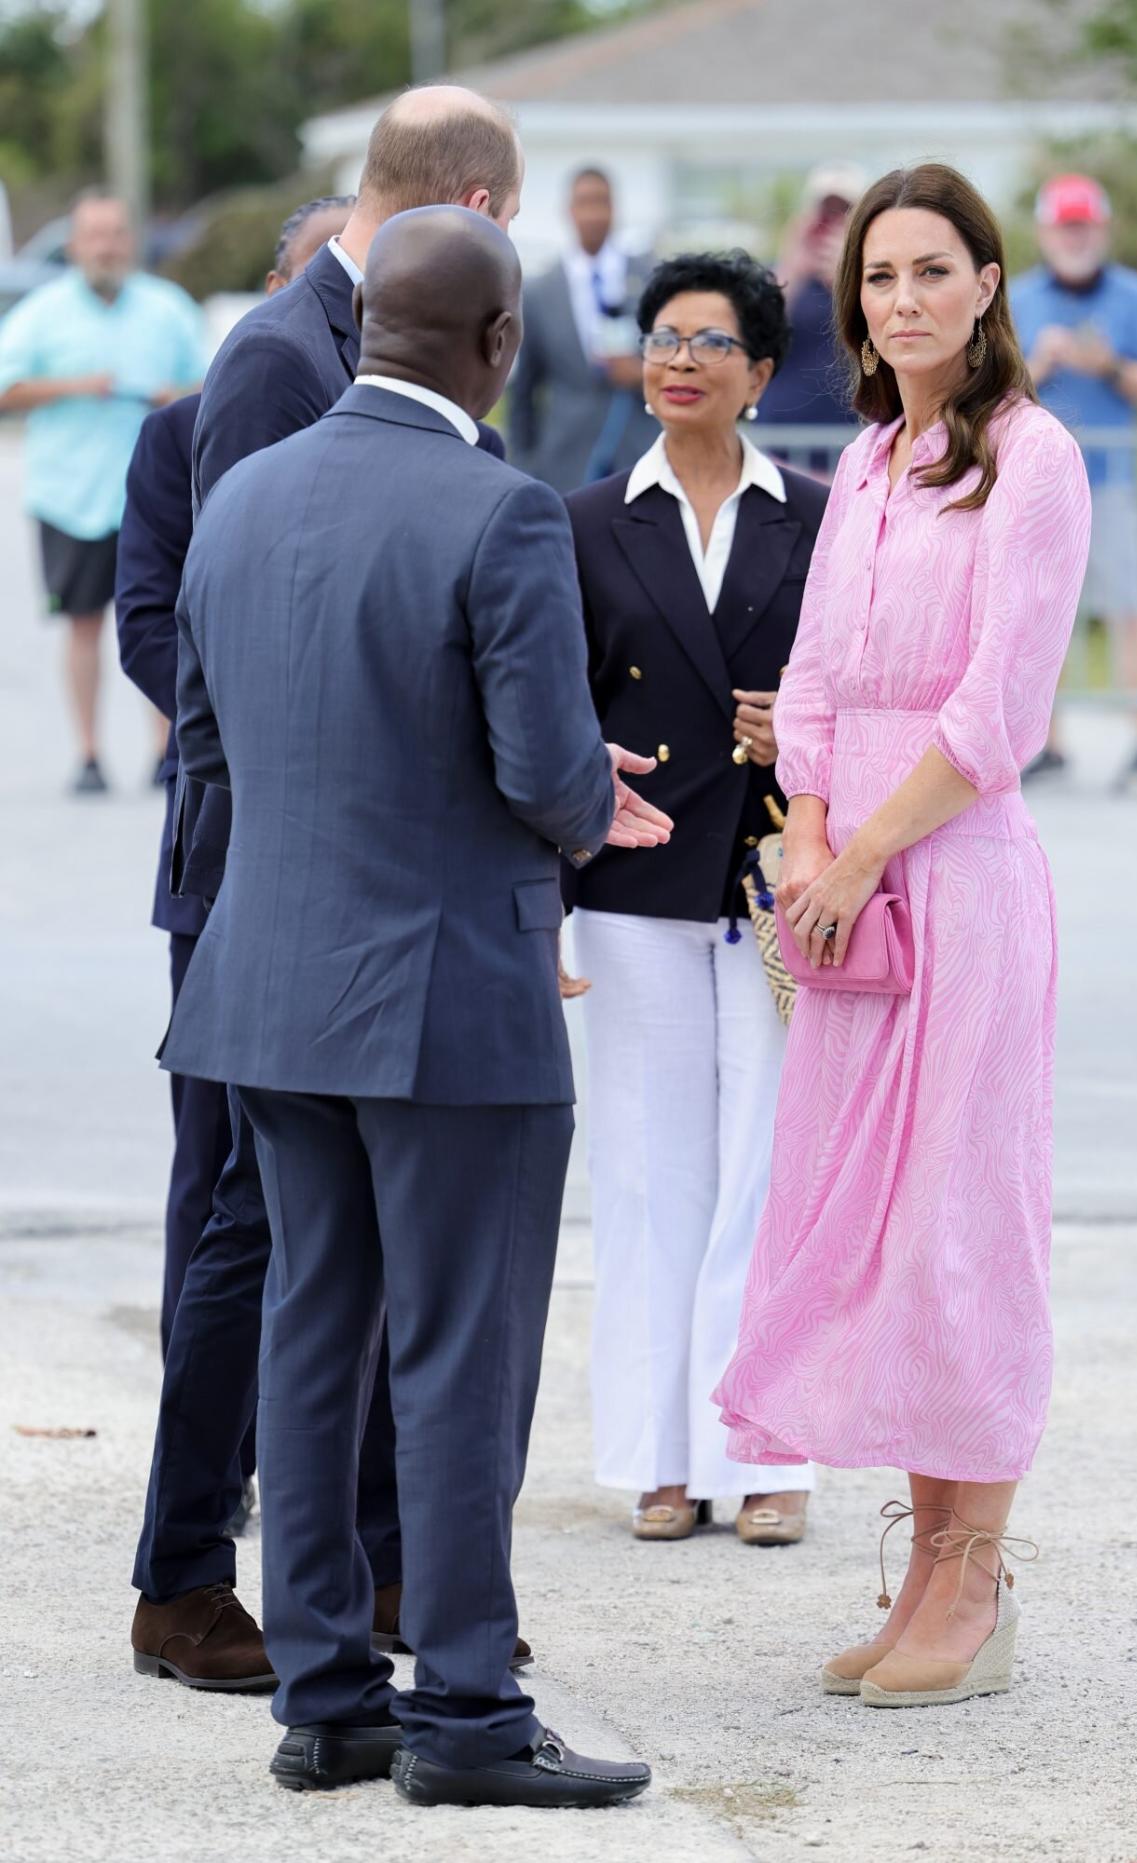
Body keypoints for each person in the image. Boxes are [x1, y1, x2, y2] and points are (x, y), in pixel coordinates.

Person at [163, 204, 667, 1808]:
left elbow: (210, 741)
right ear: (501, 343)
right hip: (451, 995)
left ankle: (324, 1700)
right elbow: (540, 772)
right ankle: (459, 1708)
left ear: (365, 319)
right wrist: (599, 797)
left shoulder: (238, 493)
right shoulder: (500, 509)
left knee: (314, 1333)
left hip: (267, 984)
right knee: (459, 1354)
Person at [129, 86, 525, 1692]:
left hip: (344, 885)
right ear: (480, 203)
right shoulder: (286, 360)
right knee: (249, 1236)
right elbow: (224, 636)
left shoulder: (359, 336)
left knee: (316, 1242)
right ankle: (183, 1572)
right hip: (267, 887)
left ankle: (357, 1567)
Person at [714, 163, 1090, 1709]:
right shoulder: (870, 459)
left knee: (958, 1224)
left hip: (953, 877)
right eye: (878, 277)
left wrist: (861, 847)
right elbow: (807, 672)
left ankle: (978, 1574)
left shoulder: (1033, 456)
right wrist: (806, 827)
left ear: (988, 282)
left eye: (932, 270)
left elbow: (998, 708)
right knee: (866, 1226)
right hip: (843, 889)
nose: (903, 300)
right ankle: (924, 1557)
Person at [563, 252, 827, 1545]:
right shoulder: (584, 518)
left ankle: (766, 1450)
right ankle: (659, 1454)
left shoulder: (823, 516)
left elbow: (871, 690)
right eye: (662, 335)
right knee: (646, 1167)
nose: (677, 357)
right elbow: (548, 711)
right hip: (632, 881)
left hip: (781, 880)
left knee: (772, 1170)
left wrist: (810, 732)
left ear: (760, 372)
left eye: (707, 340)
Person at [116, 195, 354, 1366]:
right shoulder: (177, 436)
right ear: (279, 287)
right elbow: (149, 624)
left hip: (368, 870)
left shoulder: (445, 450)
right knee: (213, 1161)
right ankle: (205, 1441)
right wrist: (265, 732)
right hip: (221, 851)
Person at [0, 189, 204, 792]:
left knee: (165, 622)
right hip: (72, 497)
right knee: (84, 625)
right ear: (74, 245)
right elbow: (6, 387)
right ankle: (89, 753)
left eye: (115, 234)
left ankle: (164, 748)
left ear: (131, 241)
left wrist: (175, 395)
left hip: (156, 499)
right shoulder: (41, 313)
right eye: (94, 235)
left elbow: (212, 378)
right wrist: (72, 386)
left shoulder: (168, 308)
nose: (105, 246)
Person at [1011, 173, 1137, 790]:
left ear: (1101, 230)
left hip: (1110, 483)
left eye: (1084, 226)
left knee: (1132, 608)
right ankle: (1046, 744)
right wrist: (1042, 362)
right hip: (1035, 486)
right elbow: (993, 388)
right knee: (1035, 613)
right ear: (1046, 233)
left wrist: (1109, 364)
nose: (1074, 237)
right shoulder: (1018, 298)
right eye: (1064, 226)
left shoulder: (1134, 295)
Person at [508, 166, 652, 491]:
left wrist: (642, 372)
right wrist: (521, 467)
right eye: (585, 203)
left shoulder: (648, 279)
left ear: (615, 208)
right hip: (566, 460)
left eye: (601, 202)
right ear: (569, 211)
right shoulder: (541, 291)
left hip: (639, 452)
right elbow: (525, 390)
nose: (594, 214)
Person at [761, 163, 864, 456]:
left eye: (843, 212)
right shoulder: (780, 275)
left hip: (848, 435)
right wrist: (793, 266)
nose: (831, 222)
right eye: (825, 212)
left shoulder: (874, 280)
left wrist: (845, 280)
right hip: (780, 437)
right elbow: (757, 334)